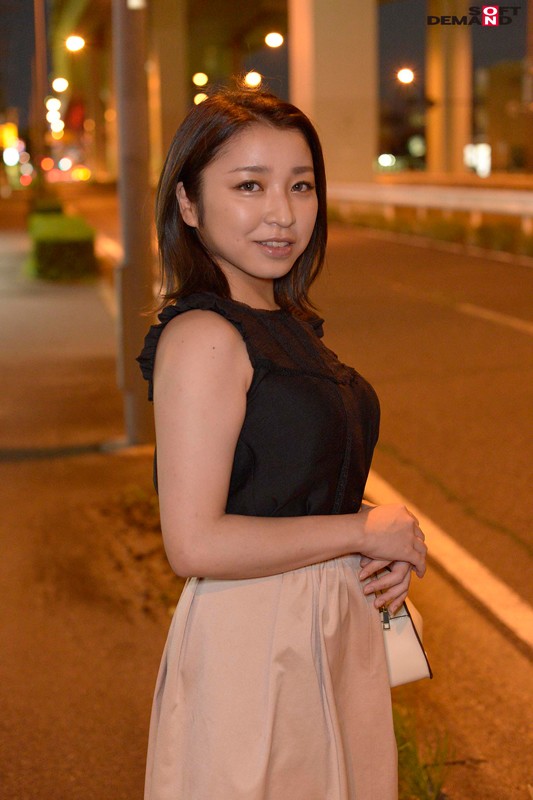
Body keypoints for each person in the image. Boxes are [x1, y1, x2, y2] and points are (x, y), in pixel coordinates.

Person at [137, 86, 427, 800]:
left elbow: (283, 487)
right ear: (188, 204)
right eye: (249, 186)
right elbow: (194, 543)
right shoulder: (204, 336)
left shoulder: (283, 325)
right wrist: (359, 529)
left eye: (301, 186)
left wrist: (371, 538)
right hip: (258, 643)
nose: (283, 213)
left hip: (322, 626)